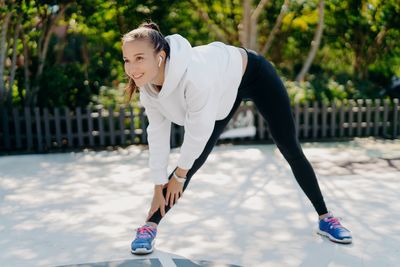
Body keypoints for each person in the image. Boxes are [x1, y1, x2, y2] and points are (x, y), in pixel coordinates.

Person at [122, 22, 352, 255]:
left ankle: (326, 218)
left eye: (139, 58)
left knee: (289, 146)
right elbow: (158, 135)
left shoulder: (194, 77)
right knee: (193, 161)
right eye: (127, 60)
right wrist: (158, 184)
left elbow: (197, 132)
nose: (131, 68)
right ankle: (149, 226)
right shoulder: (148, 87)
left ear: (160, 56)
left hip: (253, 73)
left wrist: (178, 176)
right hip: (223, 90)